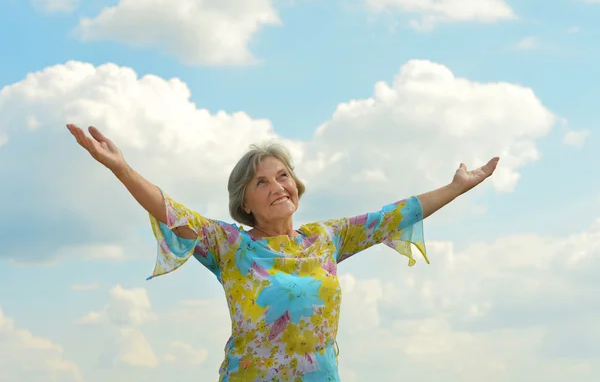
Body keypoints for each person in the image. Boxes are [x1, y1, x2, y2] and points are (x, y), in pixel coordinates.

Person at [67, 123, 499, 381]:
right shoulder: (230, 245)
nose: (278, 187)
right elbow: (169, 208)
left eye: (283, 176)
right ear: (245, 202)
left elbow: (393, 215)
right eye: (262, 182)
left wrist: (456, 187)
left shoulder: (325, 238)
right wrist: (121, 168)